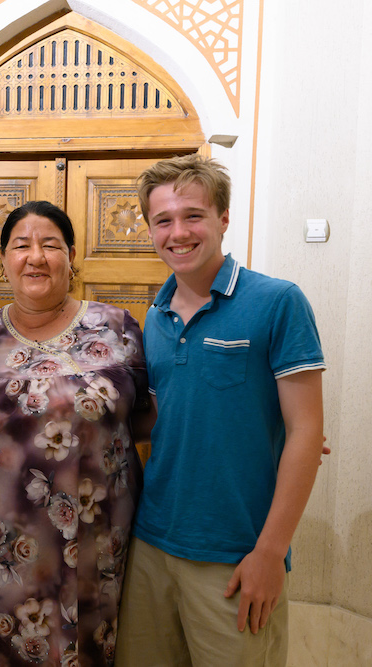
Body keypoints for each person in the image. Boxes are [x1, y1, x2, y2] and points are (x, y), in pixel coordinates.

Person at [115, 155, 325, 666]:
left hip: (235, 554)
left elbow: (306, 433)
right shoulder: (156, 315)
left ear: (223, 219)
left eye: (193, 215)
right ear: (149, 230)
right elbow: (168, 418)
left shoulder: (278, 302)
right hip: (153, 545)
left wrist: (270, 553)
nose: (178, 232)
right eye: (163, 220)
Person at [0, 200, 149, 666]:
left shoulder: (116, 327)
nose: (36, 256)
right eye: (21, 245)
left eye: (50, 245)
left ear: (71, 258)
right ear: (4, 261)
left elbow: (156, 415)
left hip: (81, 554)